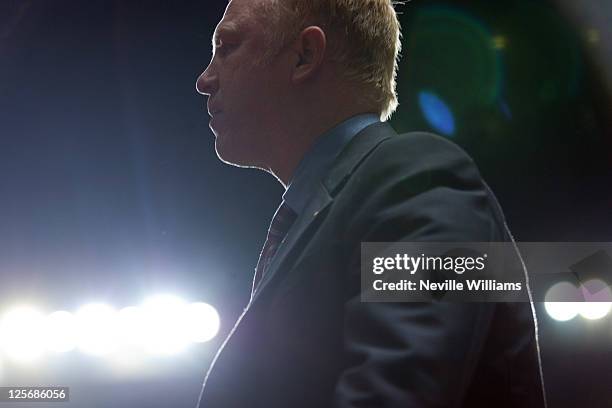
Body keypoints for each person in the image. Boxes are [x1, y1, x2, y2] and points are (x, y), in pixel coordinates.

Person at [195, 0, 546, 407]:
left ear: (304, 56)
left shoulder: (418, 178)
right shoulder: (349, 204)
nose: (205, 79)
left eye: (228, 45)